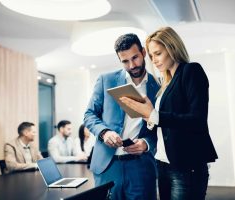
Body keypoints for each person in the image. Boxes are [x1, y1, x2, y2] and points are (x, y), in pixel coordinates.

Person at [120, 27, 218, 200]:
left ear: (172, 47)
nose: (154, 60)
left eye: (158, 53)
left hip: (186, 165)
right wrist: (147, 117)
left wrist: (154, 115)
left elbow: (197, 120)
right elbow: (162, 123)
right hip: (163, 163)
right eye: (151, 56)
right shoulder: (165, 83)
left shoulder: (191, 71)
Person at [84, 33, 159, 200]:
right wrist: (104, 132)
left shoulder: (158, 86)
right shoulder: (106, 80)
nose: (132, 65)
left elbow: (161, 129)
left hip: (141, 165)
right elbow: (89, 115)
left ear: (144, 52)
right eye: (125, 61)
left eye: (135, 57)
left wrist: (147, 144)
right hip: (108, 165)